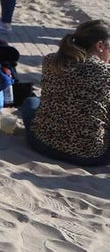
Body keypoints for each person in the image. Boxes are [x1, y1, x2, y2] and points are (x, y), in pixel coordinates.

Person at [20, 21, 110, 166]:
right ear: (100, 46)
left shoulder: (51, 60)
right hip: (89, 155)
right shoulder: (105, 72)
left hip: (42, 143)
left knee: (32, 102)